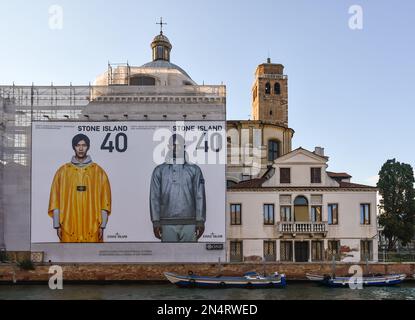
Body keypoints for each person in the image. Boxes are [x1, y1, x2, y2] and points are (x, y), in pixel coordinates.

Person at [48, 134, 112, 243]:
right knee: (69, 257)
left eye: (84, 145)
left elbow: (105, 201)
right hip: (68, 227)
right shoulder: (62, 172)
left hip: (93, 227)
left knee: (92, 257)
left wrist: (102, 226)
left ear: (88, 147)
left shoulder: (98, 171)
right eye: (78, 145)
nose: (81, 148)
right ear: (74, 147)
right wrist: (57, 225)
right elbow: (55, 201)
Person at [150, 134, 206, 242]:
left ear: (184, 146)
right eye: (173, 145)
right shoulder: (159, 171)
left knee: (190, 256)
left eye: (179, 145)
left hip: (190, 222)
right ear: (168, 147)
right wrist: (156, 221)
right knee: (168, 257)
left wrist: (200, 221)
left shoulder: (195, 170)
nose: (176, 148)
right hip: (166, 222)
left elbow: (200, 196)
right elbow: (154, 198)